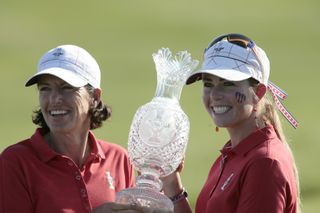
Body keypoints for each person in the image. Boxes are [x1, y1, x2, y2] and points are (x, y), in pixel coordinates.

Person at [115, 33, 300, 213]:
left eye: (228, 84)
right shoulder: (232, 153)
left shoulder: (265, 163)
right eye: (208, 84)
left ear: (258, 92)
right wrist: (172, 184)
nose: (215, 94)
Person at [0, 44, 135, 213]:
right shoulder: (16, 161)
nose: (55, 98)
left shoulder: (119, 159)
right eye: (45, 89)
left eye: (67, 88)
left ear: (94, 97)